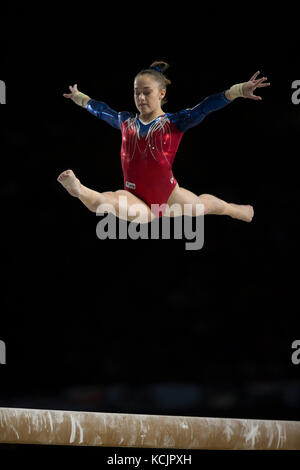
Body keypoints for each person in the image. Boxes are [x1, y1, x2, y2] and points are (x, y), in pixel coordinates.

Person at [58, 61, 270, 223]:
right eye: (136, 92)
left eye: (146, 92)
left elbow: (205, 107)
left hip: (169, 197)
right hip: (134, 196)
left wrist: (238, 91)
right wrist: (78, 97)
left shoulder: (174, 123)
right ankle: (78, 189)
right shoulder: (126, 122)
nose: (140, 98)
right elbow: (101, 110)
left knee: (204, 206)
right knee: (104, 203)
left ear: (161, 93)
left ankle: (237, 210)